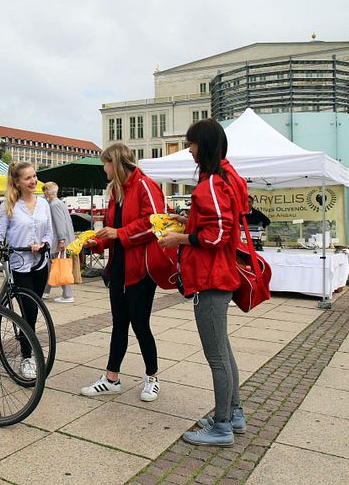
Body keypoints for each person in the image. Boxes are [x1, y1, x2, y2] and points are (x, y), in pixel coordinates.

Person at [159, 118, 247, 447]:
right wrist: (190, 220)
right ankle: (233, 413)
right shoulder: (228, 175)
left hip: (209, 277)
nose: (190, 150)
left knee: (217, 356)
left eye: (193, 144)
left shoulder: (210, 183)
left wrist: (181, 237)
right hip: (221, 274)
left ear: (205, 145)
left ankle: (222, 425)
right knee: (224, 350)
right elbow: (222, 223)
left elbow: (219, 233)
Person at [79, 143, 166, 403]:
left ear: (115, 163)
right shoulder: (117, 191)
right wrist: (99, 241)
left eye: (105, 163)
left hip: (140, 268)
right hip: (118, 266)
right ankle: (111, 378)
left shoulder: (145, 185)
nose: (103, 168)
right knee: (119, 323)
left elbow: (156, 222)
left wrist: (118, 234)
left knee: (140, 324)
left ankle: (152, 378)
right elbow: (112, 228)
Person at [0, 162, 53, 379]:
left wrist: (44, 243)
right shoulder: (8, 205)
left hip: (40, 263)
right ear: (17, 182)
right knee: (29, 312)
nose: (33, 181)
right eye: (28, 178)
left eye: (34, 176)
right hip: (19, 264)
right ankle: (27, 357)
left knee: (35, 311)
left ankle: (28, 350)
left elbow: (49, 233)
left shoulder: (44, 204)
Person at [41, 181, 76, 303]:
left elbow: (59, 223)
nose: (43, 193)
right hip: (64, 239)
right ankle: (45, 292)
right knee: (56, 266)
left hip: (61, 241)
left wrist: (61, 239)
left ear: (47, 191)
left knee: (59, 266)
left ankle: (67, 294)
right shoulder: (59, 203)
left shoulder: (54, 204)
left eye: (44, 190)